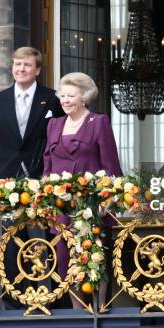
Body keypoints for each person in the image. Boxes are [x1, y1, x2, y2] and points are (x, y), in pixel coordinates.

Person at [0, 46, 64, 308]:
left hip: (41, 178)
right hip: (7, 181)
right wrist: (11, 165)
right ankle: (14, 300)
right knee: (10, 239)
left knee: (42, 236)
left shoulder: (51, 99)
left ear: (38, 70)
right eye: (18, 64)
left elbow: (58, 138)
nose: (21, 69)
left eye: (27, 65)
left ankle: (46, 296)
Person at [43, 72, 121, 308]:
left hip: (90, 206)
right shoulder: (53, 124)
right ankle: (77, 312)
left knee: (93, 257)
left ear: (84, 98)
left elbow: (111, 165)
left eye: (71, 96)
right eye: (62, 95)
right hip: (61, 206)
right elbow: (47, 164)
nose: (65, 100)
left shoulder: (98, 122)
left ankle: (98, 308)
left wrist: (107, 200)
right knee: (65, 258)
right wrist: (45, 198)